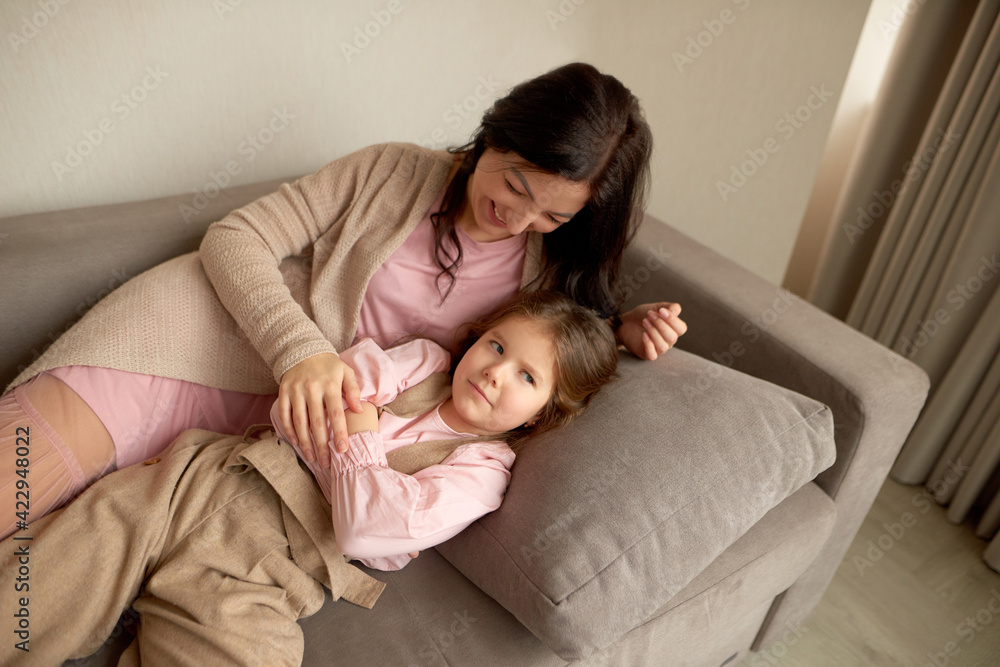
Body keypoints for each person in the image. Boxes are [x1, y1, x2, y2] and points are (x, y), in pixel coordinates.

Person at [0, 61, 687, 540]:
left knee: (54, 561)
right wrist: (301, 352)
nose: (518, 217)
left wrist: (620, 327)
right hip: (189, 343)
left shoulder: (543, 275)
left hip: (265, 436)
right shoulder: (392, 170)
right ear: (498, 135)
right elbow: (235, 237)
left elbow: (554, 345)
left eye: (551, 216)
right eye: (515, 184)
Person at [0, 291, 618, 665]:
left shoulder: (484, 473)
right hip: (196, 481)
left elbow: (364, 529)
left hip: (265, 576)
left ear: (545, 414)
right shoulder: (423, 361)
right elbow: (297, 407)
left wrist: (357, 428)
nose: (495, 373)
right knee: (35, 591)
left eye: (528, 379)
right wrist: (358, 467)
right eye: (498, 347)